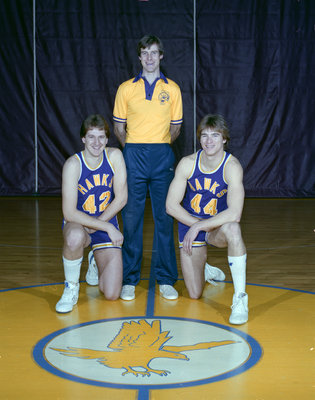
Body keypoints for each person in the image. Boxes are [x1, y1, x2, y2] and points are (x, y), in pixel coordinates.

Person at [111, 34, 183, 301]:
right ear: (139, 57)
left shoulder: (173, 89)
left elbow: (176, 127)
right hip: (134, 154)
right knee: (131, 219)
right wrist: (132, 147)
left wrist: (160, 144)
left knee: (165, 217)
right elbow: (119, 127)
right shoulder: (125, 89)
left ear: (161, 56)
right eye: (145, 53)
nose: (150, 58)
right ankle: (129, 279)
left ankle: (166, 278)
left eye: (154, 53)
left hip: (162, 153)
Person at [166, 114, 248, 324]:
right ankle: (204, 267)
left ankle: (240, 299)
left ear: (224, 139)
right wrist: (196, 226)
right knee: (193, 293)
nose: (209, 140)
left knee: (233, 230)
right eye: (204, 135)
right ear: (199, 138)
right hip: (190, 225)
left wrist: (202, 225)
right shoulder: (187, 163)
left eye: (215, 135)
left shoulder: (232, 166)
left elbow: (235, 213)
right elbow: (171, 205)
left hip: (215, 228)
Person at [55, 114, 127, 313]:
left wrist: (99, 224)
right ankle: (71, 287)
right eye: (92, 137)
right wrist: (105, 226)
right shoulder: (73, 165)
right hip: (80, 223)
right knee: (75, 237)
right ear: (83, 139)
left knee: (112, 294)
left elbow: (121, 198)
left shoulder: (114, 157)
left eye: (102, 137)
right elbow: (69, 212)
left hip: (103, 221)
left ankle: (95, 260)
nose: (97, 142)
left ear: (107, 139)